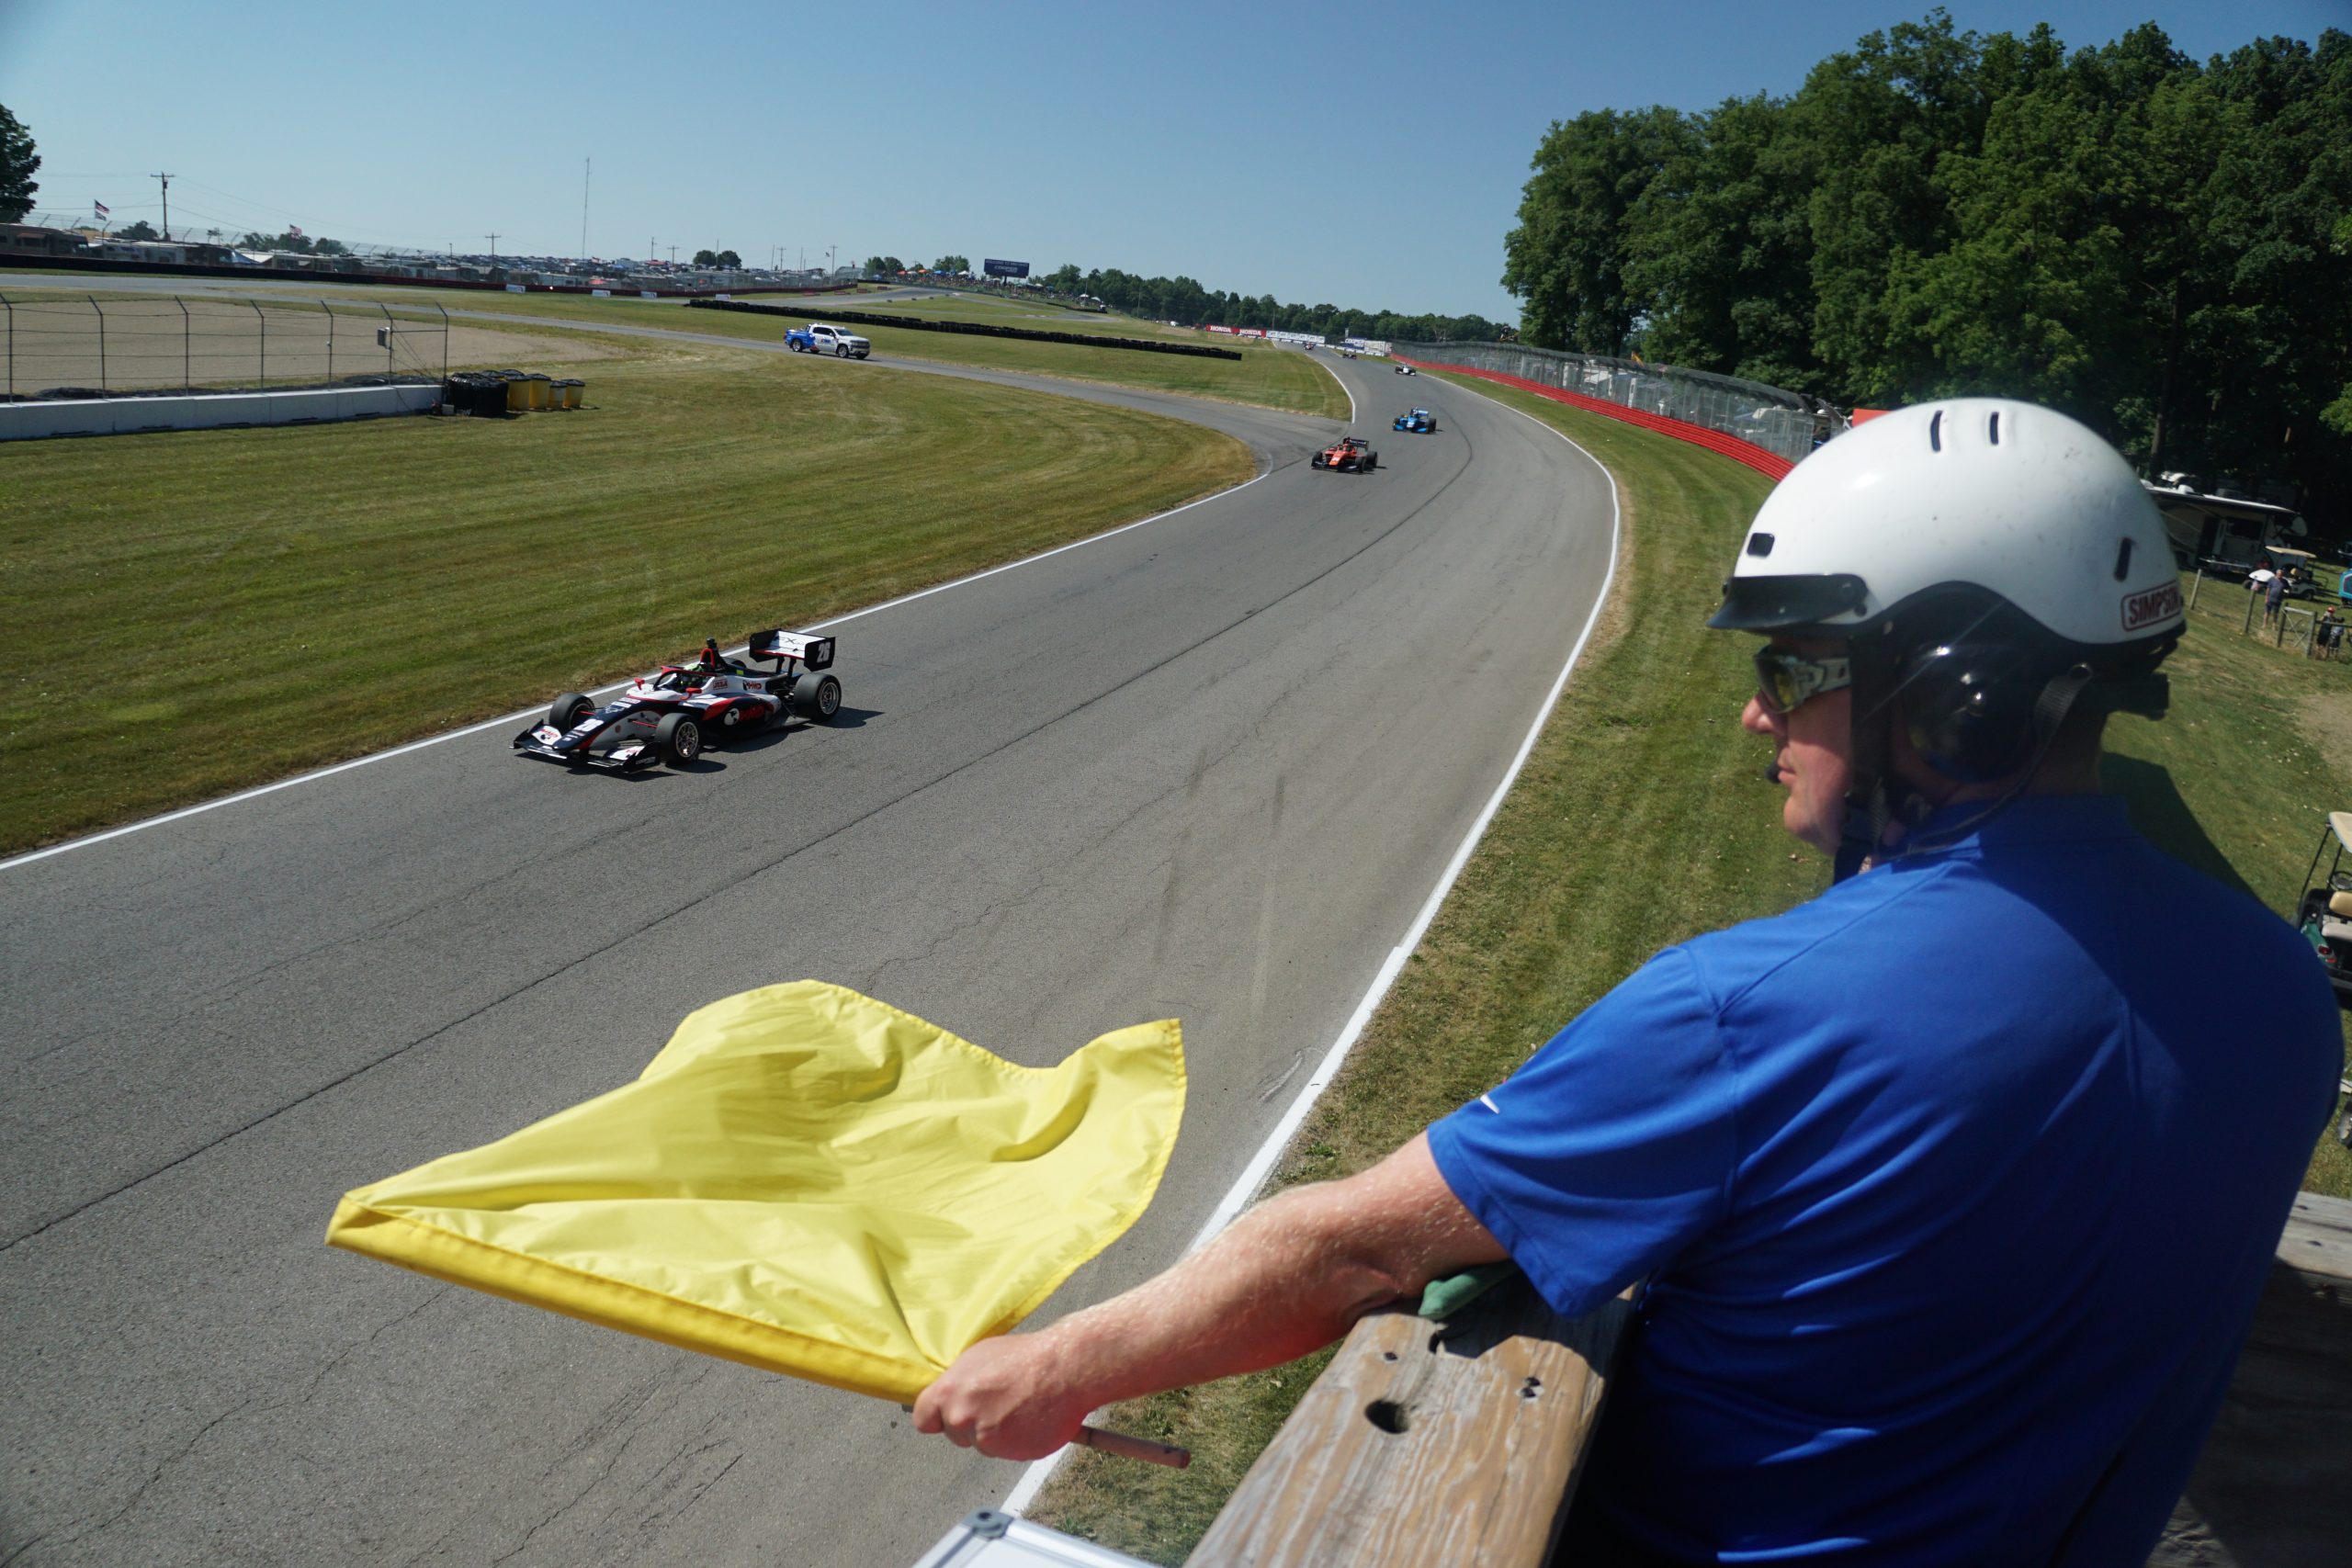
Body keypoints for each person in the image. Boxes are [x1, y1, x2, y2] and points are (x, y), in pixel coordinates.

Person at [914, 400, 2342, 1564]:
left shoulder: (1751, 1010)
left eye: (1795, 668)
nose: (1756, 711)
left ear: (1956, 697)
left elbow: (1349, 1253)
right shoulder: (2281, 994)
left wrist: (1060, 1367)